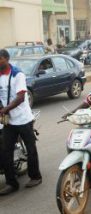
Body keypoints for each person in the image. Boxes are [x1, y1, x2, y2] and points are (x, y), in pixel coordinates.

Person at [0, 49, 42, 195]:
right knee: (6, 151)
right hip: (8, 121)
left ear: (6, 59)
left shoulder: (17, 74)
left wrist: (5, 109)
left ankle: (35, 176)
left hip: (23, 119)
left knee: (31, 149)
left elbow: (20, 97)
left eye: (0, 59)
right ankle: (12, 183)